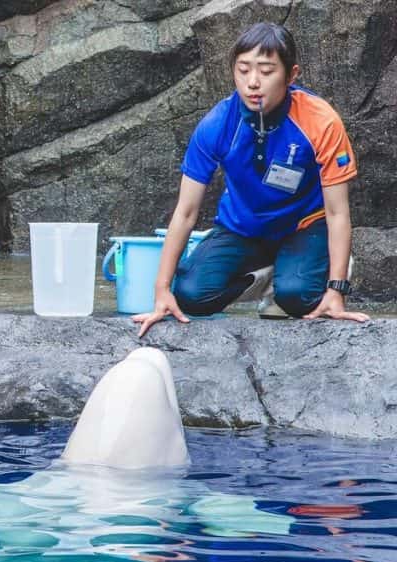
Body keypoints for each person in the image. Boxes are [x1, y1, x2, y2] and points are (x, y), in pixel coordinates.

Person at [134, 23, 369, 338]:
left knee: (298, 297)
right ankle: (266, 276)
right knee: (190, 296)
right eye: (243, 70)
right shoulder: (218, 124)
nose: (253, 82)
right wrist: (161, 291)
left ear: (291, 74)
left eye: (267, 71)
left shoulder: (320, 121)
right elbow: (186, 212)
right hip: (242, 227)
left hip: (304, 225)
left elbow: (338, 213)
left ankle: (317, 272)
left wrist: (336, 290)